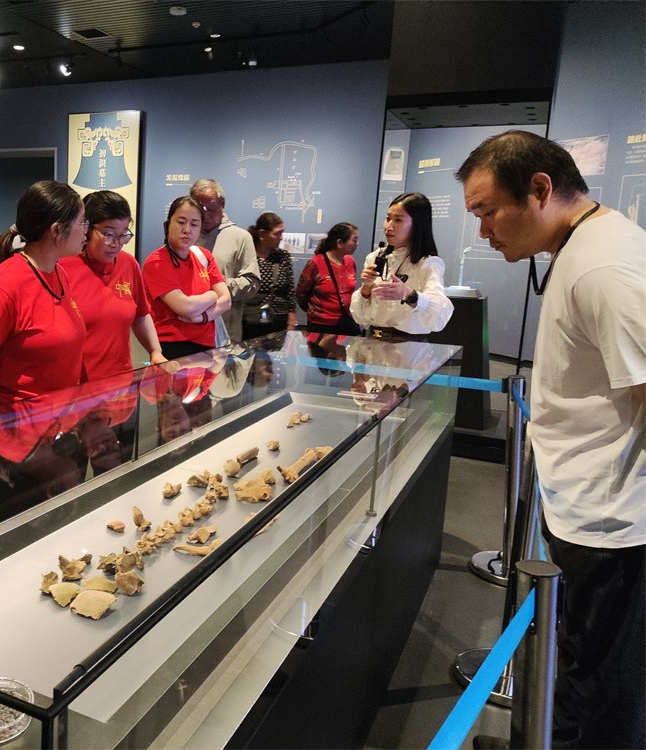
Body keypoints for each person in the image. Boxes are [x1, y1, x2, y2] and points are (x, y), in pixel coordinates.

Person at [457, 130, 645, 749]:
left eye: (488, 211)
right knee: (583, 669)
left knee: (598, 689)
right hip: (590, 508)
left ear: (539, 189)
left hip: (611, 523)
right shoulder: (586, 247)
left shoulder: (602, 265)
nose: (483, 230)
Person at [0, 180, 87, 410]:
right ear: (56, 231)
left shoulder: (58, 272)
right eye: (82, 222)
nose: (86, 229)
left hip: (54, 418)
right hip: (16, 422)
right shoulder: (4, 285)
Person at [58, 190, 165, 378]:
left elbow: (141, 314)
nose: (116, 243)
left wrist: (155, 351)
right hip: (76, 383)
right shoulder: (63, 266)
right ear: (87, 229)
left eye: (123, 235)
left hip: (120, 380)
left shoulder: (128, 264)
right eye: (108, 234)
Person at [349, 193, 452, 341]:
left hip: (408, 346)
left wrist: (409, 294)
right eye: (387, 218)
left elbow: (440, 312)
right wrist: (366, 288)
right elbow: (359, 316)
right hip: (372, 342)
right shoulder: (374, 257)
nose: (388, 226)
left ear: (417, 225)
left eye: (398, 220)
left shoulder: (428, 263)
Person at [142, 196, 231, 360]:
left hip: (207, 345)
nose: (187, 230)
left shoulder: (204, 256)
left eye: (194, 224)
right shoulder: (157, 262)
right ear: (168, 224)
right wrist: (212, 295)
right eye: (181, 222)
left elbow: (226, 300)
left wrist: (202, 317)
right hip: (171, 346)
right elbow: (185, 307)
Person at [190, 178, 260, 344]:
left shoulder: (240, 237)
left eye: (211, 208)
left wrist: (217, 285)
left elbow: (252, 284)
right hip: (189, 329)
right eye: (200, 208)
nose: (205, 214)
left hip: (224, 333)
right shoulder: (187, 235)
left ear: (222, 203)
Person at [295, 222, 362, 344]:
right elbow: (301, 293)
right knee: (320, 356)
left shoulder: (350, 261)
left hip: (345, 324)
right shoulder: (316, 263)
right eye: (354, 239)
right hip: (320, 326)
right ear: (340, 243)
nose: (357, 243)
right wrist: (315, 311)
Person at [241, 212, 297, 340]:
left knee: (275, 351)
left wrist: (292, 316)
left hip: (278, 317)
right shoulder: (247, 256)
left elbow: (290, 289)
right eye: (277, 234)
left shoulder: (283, 257)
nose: (281, 238)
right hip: (250, 317)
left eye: (282, 233)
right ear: (262, 234)